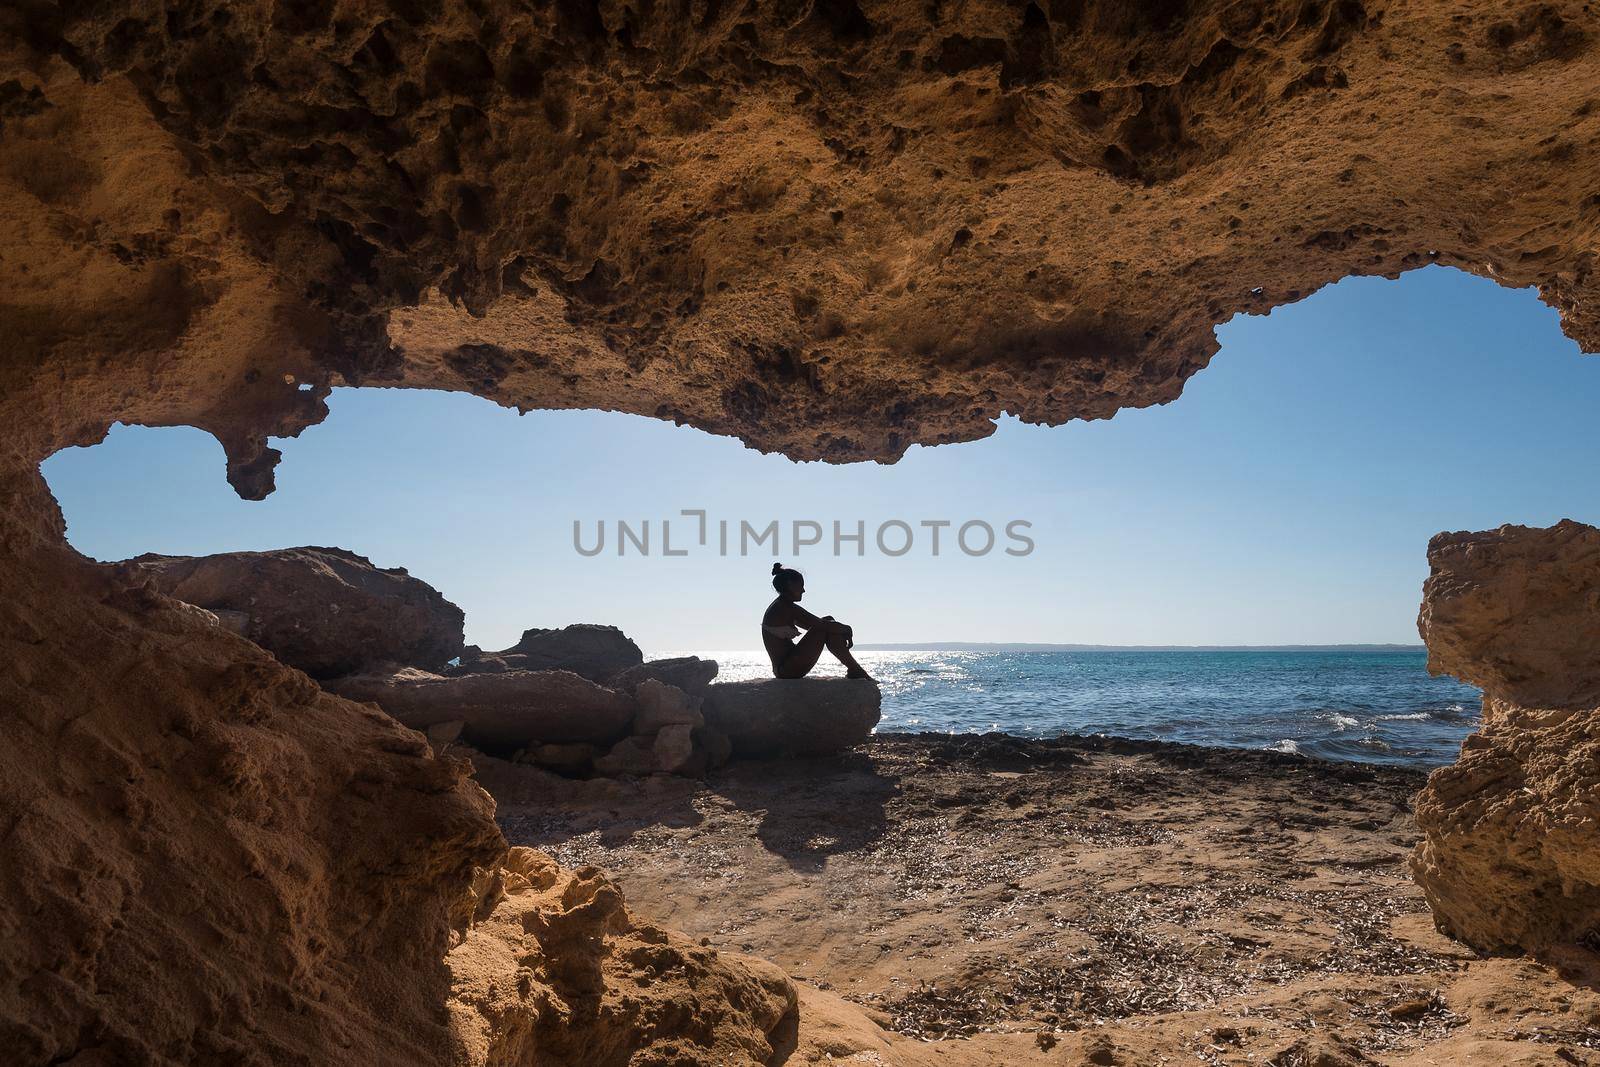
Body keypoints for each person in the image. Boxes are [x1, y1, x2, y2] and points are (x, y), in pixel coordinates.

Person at [762, 563, 873, 680]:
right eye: (801, 585)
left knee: (828, 623)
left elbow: (815, 624)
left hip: (786, 668)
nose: (803, 590)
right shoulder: (785, 607)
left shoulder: (782, 605)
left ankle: (854, 669)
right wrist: (847, 629)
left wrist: (838, 628)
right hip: (787, 670)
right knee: (826, 626)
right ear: (790, 585)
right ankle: (855, 669)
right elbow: (822, 626)